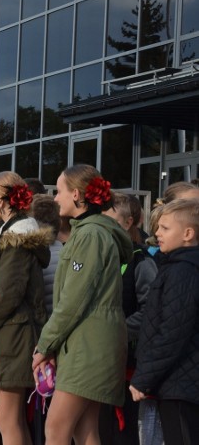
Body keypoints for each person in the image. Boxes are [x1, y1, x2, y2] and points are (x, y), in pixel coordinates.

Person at [33, 165, 132, 445]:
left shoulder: (89, 235)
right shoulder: (89, 232)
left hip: (90, 346)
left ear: (76, 194)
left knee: (56, 429)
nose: (54, 198)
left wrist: (45, 345)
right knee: (86, 431)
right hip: (89, 342)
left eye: (59, 191)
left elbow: (73, 300)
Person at [0, 172, 49, 445]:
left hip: (17, 333)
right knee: (10, 417)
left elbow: (6, 294)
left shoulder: (17, 237)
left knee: (7, 417)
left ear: (3, 200)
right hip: (13, 332)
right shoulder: (12, 232)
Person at [130, 199, 199, 445]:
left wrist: (144, 377)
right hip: (177, 381)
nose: (157, 233)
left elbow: (172, 331)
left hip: (181, 383)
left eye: (165, 228)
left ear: (188, 233)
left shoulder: (183, 271)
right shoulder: (175, 266)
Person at [101, 192, 158, 445]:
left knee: (124, 431)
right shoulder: (104, 254)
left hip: (129, 364)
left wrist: (118, 330)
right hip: (104, 361)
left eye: (110, 219)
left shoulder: (142, 260)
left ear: (128, 222)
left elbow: (150, 310)